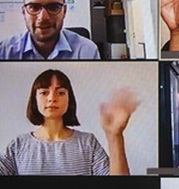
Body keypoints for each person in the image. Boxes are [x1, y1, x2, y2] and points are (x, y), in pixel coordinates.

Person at [0, 69, 138, 175]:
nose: (52, 98)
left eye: (60, 93)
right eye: (44, 92)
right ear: (34, 99)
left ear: (69, 100)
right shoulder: (18, 145)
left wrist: (115, 135)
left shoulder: (87, 143)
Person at [0, 0, 100, 60]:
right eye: (34, 7)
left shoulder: (86, 51)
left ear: (64, 11)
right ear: (23, 12)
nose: (43, 17)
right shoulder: (5, 52)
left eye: (53, 7)